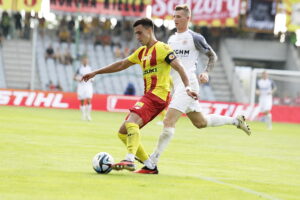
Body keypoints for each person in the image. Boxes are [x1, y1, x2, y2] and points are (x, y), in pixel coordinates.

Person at [82, 18, 198, 174]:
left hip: (159, 94)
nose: (137, 37)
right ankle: (150, 165)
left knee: (131, 123)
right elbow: (121, 64)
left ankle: (129, 159)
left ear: (149, 31)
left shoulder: (162, 48)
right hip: (150, 96)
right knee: (123, 133)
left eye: (140, 33)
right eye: (135, 33)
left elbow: (180, 67)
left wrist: (188, 87)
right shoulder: (141, 52)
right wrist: (96, 72)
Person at [148, 4, 251, 169]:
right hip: (177, 85)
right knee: (200, 122)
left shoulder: (195, 37)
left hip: (189, 84)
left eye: (179, 17)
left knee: (168, 121)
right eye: (174, 16)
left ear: (188, 18)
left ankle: (152, 161)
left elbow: (212, 56)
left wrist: (206, 72)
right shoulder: (171, 39)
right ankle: (235, 121)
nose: (175, 19)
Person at [74, 56, 94, 121]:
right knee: (82, 101)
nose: (85, 61)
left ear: (88, 61)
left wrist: (91, 79)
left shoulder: (90, 68)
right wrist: (78, 79)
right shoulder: (79, 68)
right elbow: (74, 77)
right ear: (82, 61)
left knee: (88, 100)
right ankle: (83, 114)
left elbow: (93, 77)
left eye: (86, 60)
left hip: (88, 86)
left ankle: (88, 115)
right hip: (81, 86)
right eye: (84, 60)